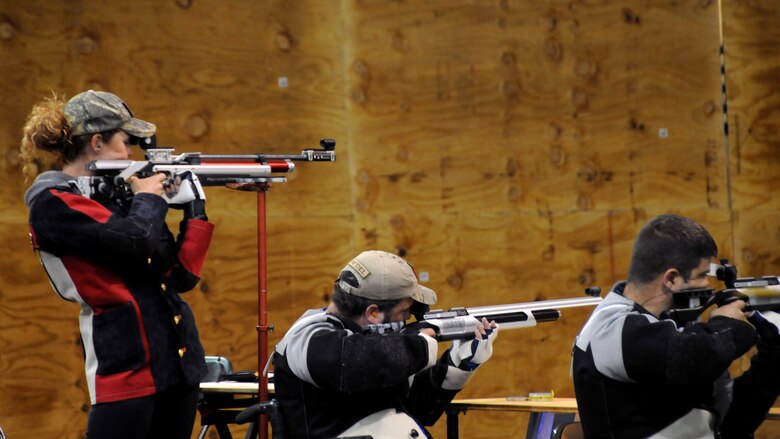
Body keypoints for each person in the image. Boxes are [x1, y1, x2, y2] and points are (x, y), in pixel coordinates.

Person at [21, 90, 214, 439]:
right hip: (125, 369)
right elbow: (134, 240)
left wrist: (194, 210)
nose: (129, 154)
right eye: (125, 142)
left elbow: (180, 275)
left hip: (177, 366)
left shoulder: (118, 196)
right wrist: (147, 199)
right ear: (97, 143)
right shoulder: (53, 203)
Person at [572, 214, 780, 438]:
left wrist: (774, 353)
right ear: (671, 278)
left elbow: (728, 422)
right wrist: (728, 324)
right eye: (702, 275)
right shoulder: (610, 329)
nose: (707, 285)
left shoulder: (666, 327)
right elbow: (697, 355)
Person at [272, 250, 498, 438]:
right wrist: (420, 343)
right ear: (373, 313)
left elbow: (419, 409)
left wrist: (459, 363)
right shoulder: (306, 337)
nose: (407, 320)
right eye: (404, 311)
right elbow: (350, 362)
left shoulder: (376, 349)